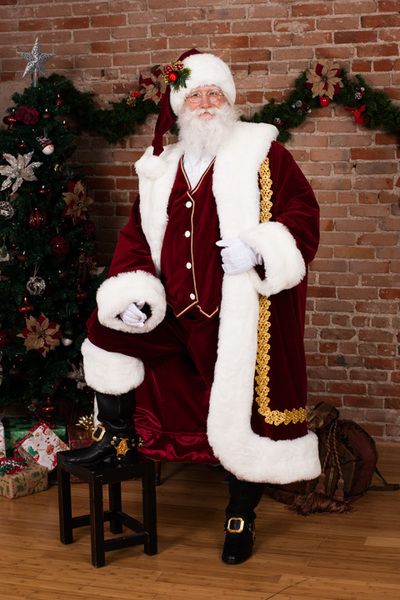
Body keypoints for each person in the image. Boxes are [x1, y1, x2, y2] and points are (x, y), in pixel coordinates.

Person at [61, 49, 321, 564]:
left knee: (243, 412)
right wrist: (132, 292)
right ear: (180, 106)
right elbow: (136, 238)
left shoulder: (262, 153)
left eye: (214, 93)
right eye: (195, 94)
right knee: (105, 327)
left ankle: (240, 515)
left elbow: (303, 213)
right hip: (175, 314)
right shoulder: (161, 167)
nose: (205, 103)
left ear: (228, 101)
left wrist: (261, 246)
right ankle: (117, 437)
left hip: (238, 316)